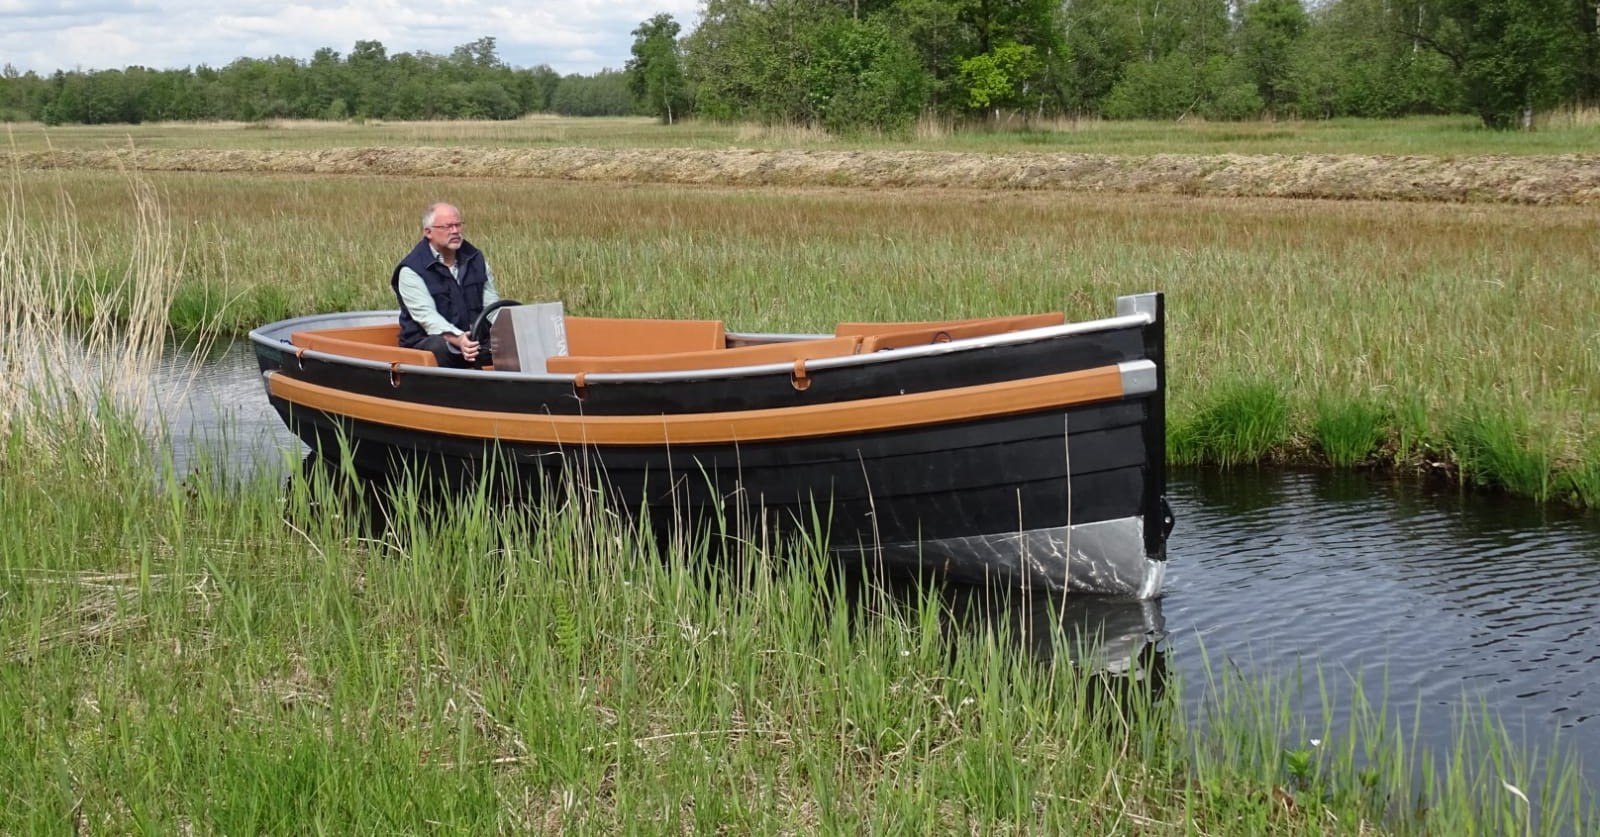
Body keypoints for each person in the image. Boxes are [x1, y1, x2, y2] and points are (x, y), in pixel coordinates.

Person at [392, 202, 500, 368]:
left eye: (458, 225)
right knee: (440, 347)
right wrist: (459, 339)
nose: (455, 231)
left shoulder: (475, 259)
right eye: (448, 227)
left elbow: (492, 306)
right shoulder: (411, 270)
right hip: (427, 343)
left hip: (471, 339)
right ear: (428, 232)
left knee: (506, 341)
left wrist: (513, 327)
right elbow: (428, 318)